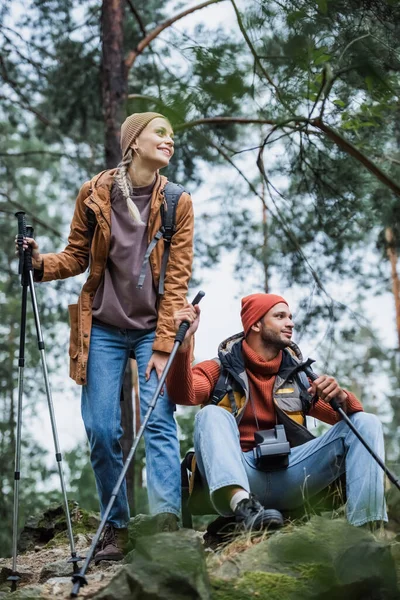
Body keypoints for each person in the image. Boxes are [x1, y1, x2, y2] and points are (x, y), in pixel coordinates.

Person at [16, 112, 194, 562]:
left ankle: (167, 525)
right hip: (104, 328)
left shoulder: (177, 202)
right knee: (100, 428)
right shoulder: (95, 194)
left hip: (154, 327)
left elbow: (177, 281)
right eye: (161, 133)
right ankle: (116, 528)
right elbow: (76, 256)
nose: (169, 141)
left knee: (156, 421)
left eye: (171, 136)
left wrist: (161, 345)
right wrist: (39, 263)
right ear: (134, 142)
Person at [167, 293, 388, 533]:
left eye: (290, 317)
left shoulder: (301, 377)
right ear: (255, 324)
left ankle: (365, 532)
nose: (290, 322)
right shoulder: (218, 369)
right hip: (240, 474)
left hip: (292, 473)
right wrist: (184, 347)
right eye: (280, 316)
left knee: (366, 423)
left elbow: (353, 422)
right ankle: (245, 507)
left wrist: (342, 398)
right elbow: (183, 393)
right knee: (210, 414)